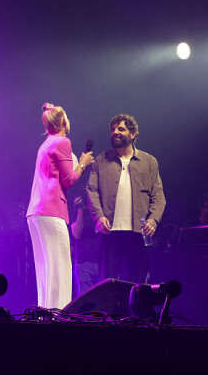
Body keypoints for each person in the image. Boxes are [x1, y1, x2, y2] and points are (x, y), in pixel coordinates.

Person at [26, 103, 94, 309]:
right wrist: (82, 163)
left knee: (45, 267)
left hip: (36, 211)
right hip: (51, 210)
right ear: (64, 121)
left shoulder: (46, 144)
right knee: (60, 265)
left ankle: (46, 311)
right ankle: (59, 314)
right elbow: (69, 179)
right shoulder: (63, 142)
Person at [87, 113, 166, 284]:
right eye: (113, 129)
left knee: (138, 284)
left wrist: (153, 220)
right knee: (107, 284)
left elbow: (158, 195)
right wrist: (99, 216)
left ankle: (137, 312)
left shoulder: (149, 161)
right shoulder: (100, 161)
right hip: (109, 233)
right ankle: (109, 312)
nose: (115, 132)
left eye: (121, 129)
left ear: (133, 134)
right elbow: (91, 190)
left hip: (138, 233)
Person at [70, 194, 99, 296]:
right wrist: (80, 211)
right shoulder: (76, 214)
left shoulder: (99, 214)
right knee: (85, 300)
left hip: (100, 262)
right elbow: (77, 234)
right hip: (84, 263)